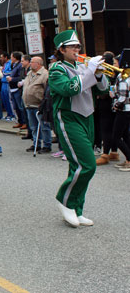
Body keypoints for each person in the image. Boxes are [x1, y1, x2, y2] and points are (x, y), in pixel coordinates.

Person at [49, 30, 108, 228]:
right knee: (87, 164)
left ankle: (77, 208)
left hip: (87, 117)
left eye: (78, 46)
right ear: (61, 50)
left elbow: (103, 91)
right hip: (68, 118)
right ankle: (64, 200)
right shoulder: (56, 69)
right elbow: (69, 89)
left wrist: (98, 75)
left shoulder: (83, 66)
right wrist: (90, 72)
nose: (77, 49)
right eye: (72, 46)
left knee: (78, 166)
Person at [22, 57, 52, 153]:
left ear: (38, 64)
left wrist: (44, 103)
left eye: (32, 62)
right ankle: (36, 144)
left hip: (39, 105)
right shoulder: (30, 73)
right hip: (29, 104)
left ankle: (47, 145)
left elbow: (47, 90)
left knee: (44, 126)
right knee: (33, 127)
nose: (30, 63)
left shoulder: (45, 74)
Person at [109, 50, 130, 171]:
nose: (114, 65)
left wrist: (115, 104)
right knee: (126, 135)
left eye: (116, 63)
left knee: (116, 137)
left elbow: (123, 95)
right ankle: (127, 159)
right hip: (128, 109)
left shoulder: (123, 76)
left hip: (123, 109)